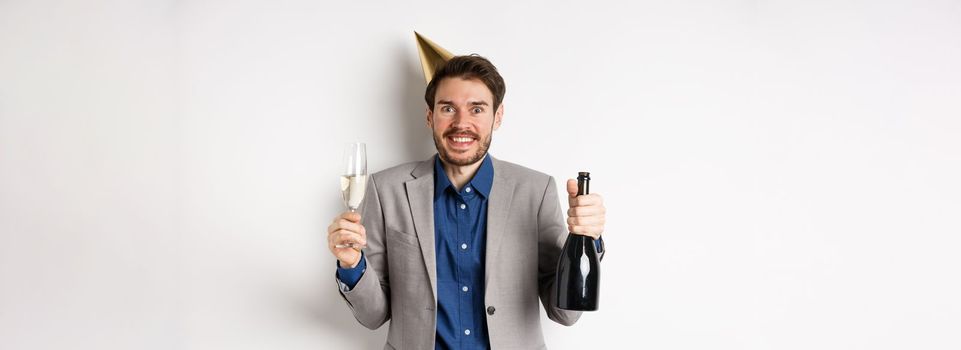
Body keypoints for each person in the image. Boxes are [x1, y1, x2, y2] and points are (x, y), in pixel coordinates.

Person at [327, 54, 607, 349]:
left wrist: (587, 240)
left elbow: (565, 313)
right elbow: (373, 315)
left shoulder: (535, 191)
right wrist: (352, 263)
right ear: (429, 116)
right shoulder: (386, 189)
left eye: (477, 109)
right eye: (448, 108)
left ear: (497, 117)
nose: (462, 123)